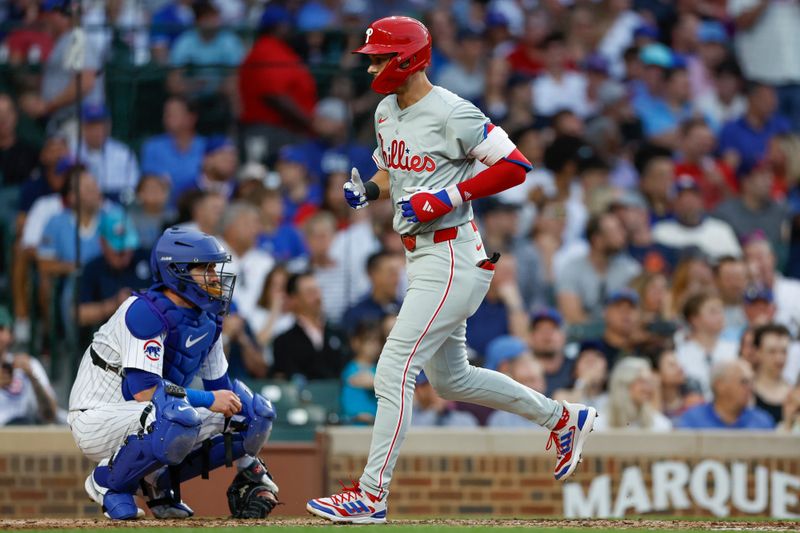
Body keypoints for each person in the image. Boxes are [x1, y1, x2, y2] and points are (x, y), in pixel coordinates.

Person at [307, 17, 597, 525]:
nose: (371, 65)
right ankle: (563, 418)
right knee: (452, 379)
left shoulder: (453, 111)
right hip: (422, 256)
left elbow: (515, 165)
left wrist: (450, 194)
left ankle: (372, 495)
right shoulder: (384, 109)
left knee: (394, 368)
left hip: (451, 253)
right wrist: (370, 191)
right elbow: (389, 167)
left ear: (409, 59)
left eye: (379, 56)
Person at [68, 227, 279, 520]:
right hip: (96, 417)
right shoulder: (143, 311)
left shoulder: (209, 316)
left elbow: (224, 394)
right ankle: (108, 482)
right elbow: (142, 390)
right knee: (179, 416)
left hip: (149, 413)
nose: (215, 276)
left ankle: (158, 485)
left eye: (214, 268)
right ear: (176, 271)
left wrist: (251, 465)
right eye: (205, 268)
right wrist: (207, 398)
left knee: (252, 414)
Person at [556, 212, 641, 324]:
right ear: (597, 240)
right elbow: (573, 317)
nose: (623, 235)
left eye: (621, 229)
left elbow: (639, 312)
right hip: (583, 338)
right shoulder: (572, 269)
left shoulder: (630, 269)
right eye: (615, 231)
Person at [270, 271, 348, 380]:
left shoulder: (339, 334)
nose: (317, 297)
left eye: (317, 290)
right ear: (294, 299)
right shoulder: (284, 341)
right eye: (310, 292)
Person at [652, 175, 742, 259]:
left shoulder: (721, 229)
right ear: (673, 204)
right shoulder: (661, 232)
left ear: (701, 201)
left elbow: (735, 261)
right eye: (682, 198)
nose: (689, 202)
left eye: (693, 197)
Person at [140, 96, 206, 205]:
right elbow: (149, 186)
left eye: (174, 113)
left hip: (198, 209)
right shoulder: (153, 147)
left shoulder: (206, 147)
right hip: (162, 213)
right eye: (166, 113)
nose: (167, 117)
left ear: (191, 118)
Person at [0, 306, 58, 426]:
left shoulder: (29, 364)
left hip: (23, 433)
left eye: (1, 328)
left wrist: (32, 377)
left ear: (10, 334)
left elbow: (50, 414)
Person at [677, 359, 775, 430]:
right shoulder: (693, 421)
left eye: (752, 382)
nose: (750, 388)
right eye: (744, 382)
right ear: (720, 385)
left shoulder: (762, 422)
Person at [675, 292, 739, 398]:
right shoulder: (680, 353)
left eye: (721, 311)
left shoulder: (734, 348)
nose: (720, 316)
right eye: (713, 312)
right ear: (694, 319)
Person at [72, 103, 140, 202]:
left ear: (109, 126)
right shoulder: (72, 151)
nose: (97, 131)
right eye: (92, 126)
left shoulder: (123, 153)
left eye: (101, 125)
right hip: (81, 204)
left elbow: (132, 191)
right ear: (82, 127)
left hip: (117, 204)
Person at [594, 357, 672, 432]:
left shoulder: (659, 424)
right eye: (642, 382)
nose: (648, 388)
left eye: (649, 382)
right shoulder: (598, 424)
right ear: (624, 384)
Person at [342, 251, 402, 335]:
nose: (396, 280)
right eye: (391, 273)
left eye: (397, 273)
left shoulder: (405, 309)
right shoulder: (356, 314)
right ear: (373, 274)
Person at [341, 320, 383, 425]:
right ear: (356, 342)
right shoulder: (350, 370)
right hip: (356, 426)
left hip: (378, 425)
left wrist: (376, 382)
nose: (374, 346)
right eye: (369, 340)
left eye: (377, 341)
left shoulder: (380, 369)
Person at [751, 323, 792, 424]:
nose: (779, 358)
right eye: (772, 351)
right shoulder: (746, 392)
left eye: (784, 351)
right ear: (757, 352)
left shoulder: (794, 393)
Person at [653, 346, 704, 423]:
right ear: (657, 373)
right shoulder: (648, 404)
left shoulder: (694, 402)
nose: (680, 368)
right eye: (672, 365)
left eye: (679, 364)